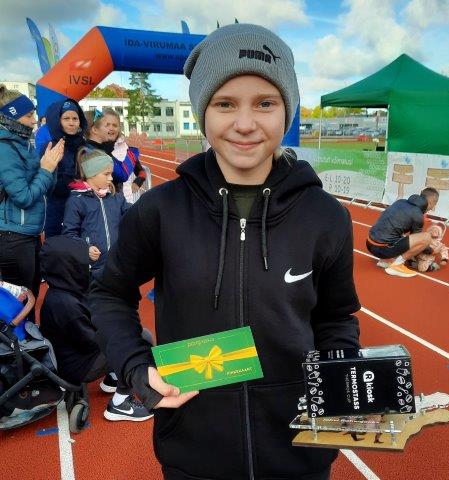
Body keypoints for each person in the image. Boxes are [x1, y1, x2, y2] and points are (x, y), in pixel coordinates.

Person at [89, 24, 360, 480]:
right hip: (193, 454)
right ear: (203, 112)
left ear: (287, 109)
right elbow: (108, 293)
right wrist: (136, 366)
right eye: (225, 104)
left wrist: (343, 383)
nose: (245, 124)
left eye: (265, 103)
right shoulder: (160, 210)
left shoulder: (325, 215)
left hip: (301, 454)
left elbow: (336, 319)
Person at [39, 235, 153, 421]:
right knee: (140, 340)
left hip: (73, 355)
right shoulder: (65, 305)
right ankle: (120, 403)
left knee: (127, 332)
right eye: (83, 263)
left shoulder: (63, 288)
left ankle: (115, 377)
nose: (88, 267)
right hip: (77, 366)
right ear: (69, 267)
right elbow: (94, 341)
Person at [0, 84, 64, 305]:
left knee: (29, 299)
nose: (34, 121)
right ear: (11, 116)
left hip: (28, 235)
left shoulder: (24, 144)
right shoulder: (5, 148)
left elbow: (45, 189)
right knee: (19, 305)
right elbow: (24, 197)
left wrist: (51, 167)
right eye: (28, 116)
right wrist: (45, 169)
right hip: (13, 238)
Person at [62, 149, 130, 278]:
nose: (111, 178)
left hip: (117, 265)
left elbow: (131, 217)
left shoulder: (117, 198)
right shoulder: (77, 201)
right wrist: (85, 249)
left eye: (111, 174)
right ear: (92, 173)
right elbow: (69, 234)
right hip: (91, 270)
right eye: (106, 174)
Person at [35, 99, 87, 237]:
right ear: (57, 121)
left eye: (75, 118)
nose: (71, 123)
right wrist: (76, 184)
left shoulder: (84, 146)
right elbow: (47, 181)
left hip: (83, 209)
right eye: (66, 118)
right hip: (57, 210)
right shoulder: (50, 147)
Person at [366, 187, 439, 278]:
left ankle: (386, 260)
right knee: (426, 237)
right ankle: (397, 266)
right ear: (432, 202)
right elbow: (417, 240)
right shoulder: (418, 214)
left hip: (370, 243)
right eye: (434, 204)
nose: (432, 208)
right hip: (382, 249)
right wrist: (431, 251)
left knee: (398, 233)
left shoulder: (400, 202)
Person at [83, 109, 147, 193]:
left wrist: (137, 183)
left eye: (115, 125)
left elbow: (139, 170)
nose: (110, 129)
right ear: (95, 129)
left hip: (119, 197)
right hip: (104, 197)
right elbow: (122, 174)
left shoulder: (123, 147)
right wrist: (133, 150)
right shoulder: (93, 151)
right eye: (107, 125)